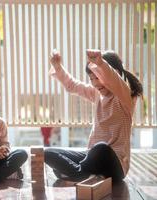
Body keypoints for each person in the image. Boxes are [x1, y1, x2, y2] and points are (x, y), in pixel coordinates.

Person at [45, 49, 143, 183]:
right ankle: (84, 174)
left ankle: (77, 173)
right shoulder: (97, 94)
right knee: (48, 153)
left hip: (115, 165)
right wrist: (57, 66)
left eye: (98, 77)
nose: (95, 83)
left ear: (115, 75)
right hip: (92, 157)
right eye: (92, 79)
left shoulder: (125, 97)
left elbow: (114, 80)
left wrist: (101, 63)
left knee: (101, 148)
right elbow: (72, 85)